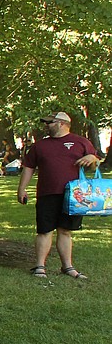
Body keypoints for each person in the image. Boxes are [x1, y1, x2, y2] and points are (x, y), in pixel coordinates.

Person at [16, 111, 102, 280]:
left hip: (74, 196)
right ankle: (40, 266)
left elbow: (95, 165)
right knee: (44, 230)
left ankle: (67, 267)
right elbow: (29, 167)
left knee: (65, 231)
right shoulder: (40, 146)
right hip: (47, 193)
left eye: (50, 122)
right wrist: (22, 189)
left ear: (61, 124)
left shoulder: (81, 142)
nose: (46, 125)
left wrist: (92, 158)